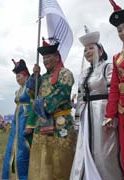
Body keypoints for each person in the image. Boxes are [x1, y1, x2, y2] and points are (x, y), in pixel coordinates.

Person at [70, 26, 123, 180]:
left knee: (105, 150)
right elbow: (80, 97)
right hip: (87, 114)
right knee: (85, 148)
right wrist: (78, 119)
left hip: (103, 112)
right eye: (85, 50)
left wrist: (111, 115)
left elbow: (114, 91)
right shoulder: (84, 73)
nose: (87, 52)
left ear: (100, 50)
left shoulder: (108, 67)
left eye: (90, 48)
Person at [27, 38, 76, 180]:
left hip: (61, 123)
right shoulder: (42, 78)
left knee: (61, 160)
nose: (45, 60)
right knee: (43, 158)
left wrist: (39, 104)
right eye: (43, 58)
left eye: (48, 57)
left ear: (57, 57)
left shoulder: (65, 74)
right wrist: (34, 76)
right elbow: (31, 94)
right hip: (43, 124)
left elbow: (60, 96)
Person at [103, 1, 124, 180]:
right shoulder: (117, 58)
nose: (123, 32)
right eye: (119, 30)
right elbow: (114, 88)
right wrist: (110, 114)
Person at [2, 59, 35, 180]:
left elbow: (34, 102)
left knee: (23, 151)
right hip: (17, 121)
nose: (17, 78)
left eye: (19, 75)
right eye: (16, 76)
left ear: (26, 75)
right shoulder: (18, 90)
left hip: (25, 121)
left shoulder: (30, 87)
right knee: (11, 149)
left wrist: (30, 125)